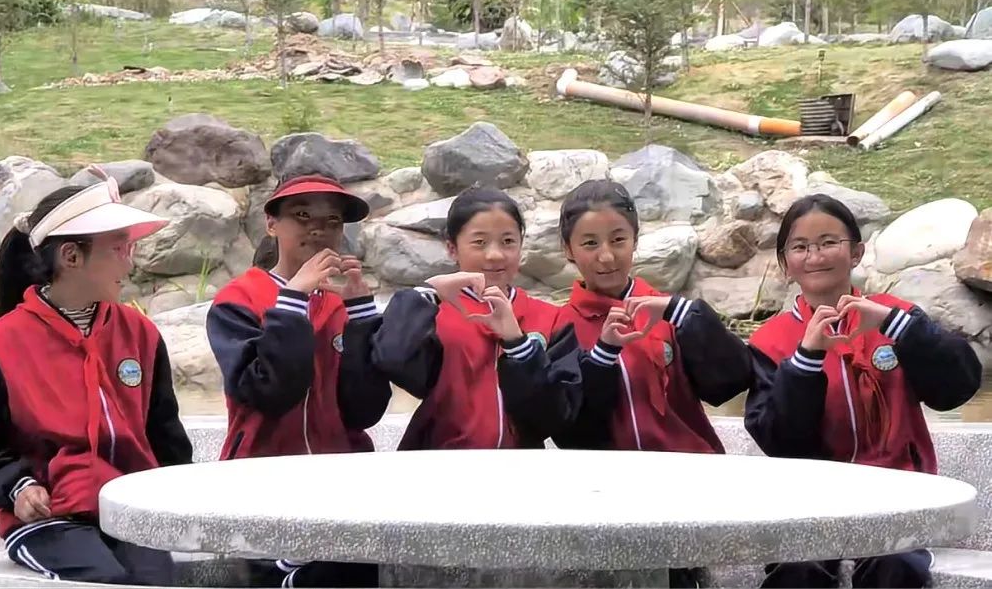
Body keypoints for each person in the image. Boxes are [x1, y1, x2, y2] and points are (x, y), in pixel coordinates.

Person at [0, 169, 193, 585]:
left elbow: (164, 432)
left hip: (128, 511)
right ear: (71, 257)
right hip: (48, 518)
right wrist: (17, 487)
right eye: (118, 249)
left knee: (159, 579)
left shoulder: (141, 334)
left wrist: (178, 497)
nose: (129, 263)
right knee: (102, 579)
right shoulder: (1, 343)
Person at [744, 193, 983, 588]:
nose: (815, 256)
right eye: (800, 247)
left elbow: (957, 388)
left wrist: (898, 326)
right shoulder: (770, 342)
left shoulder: (895, 317)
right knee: (797, 571)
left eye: (828, 242)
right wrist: (806, 360)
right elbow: (779, 440)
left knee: (894, 565)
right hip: (811, 504)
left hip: (900, 496)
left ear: (856, 252)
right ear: (785, 264)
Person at [550, 179, 752, 589]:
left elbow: (731, 381)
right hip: (608, 495)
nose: (606, 256)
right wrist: (604, 353)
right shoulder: (561, 326)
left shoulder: (667, 312)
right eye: (589, 243)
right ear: (568, 249)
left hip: (685, 485)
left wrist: (686, 314)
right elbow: (569, 428)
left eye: (618, 239)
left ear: (635, 240)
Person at [206, 174, 390, 588]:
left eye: (332, 220)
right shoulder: (239, 299)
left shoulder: (340, 303)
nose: (318, 229)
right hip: (261, 480)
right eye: (302, 215)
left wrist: (362, 315)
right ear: (272, 224)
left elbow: (364, 410)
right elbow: (269, 392)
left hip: (338, 483)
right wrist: (293, 300)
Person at [371, 185, 582, 450]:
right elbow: (392, 359)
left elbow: (557, 416)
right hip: (439, 460)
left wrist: (518, 345)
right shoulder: (432, 313)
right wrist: (429, 293)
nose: (495, 255)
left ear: (521, 245)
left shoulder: (551, 319)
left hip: (520, 466)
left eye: (508, 241)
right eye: (479, 242)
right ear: (452, 248)